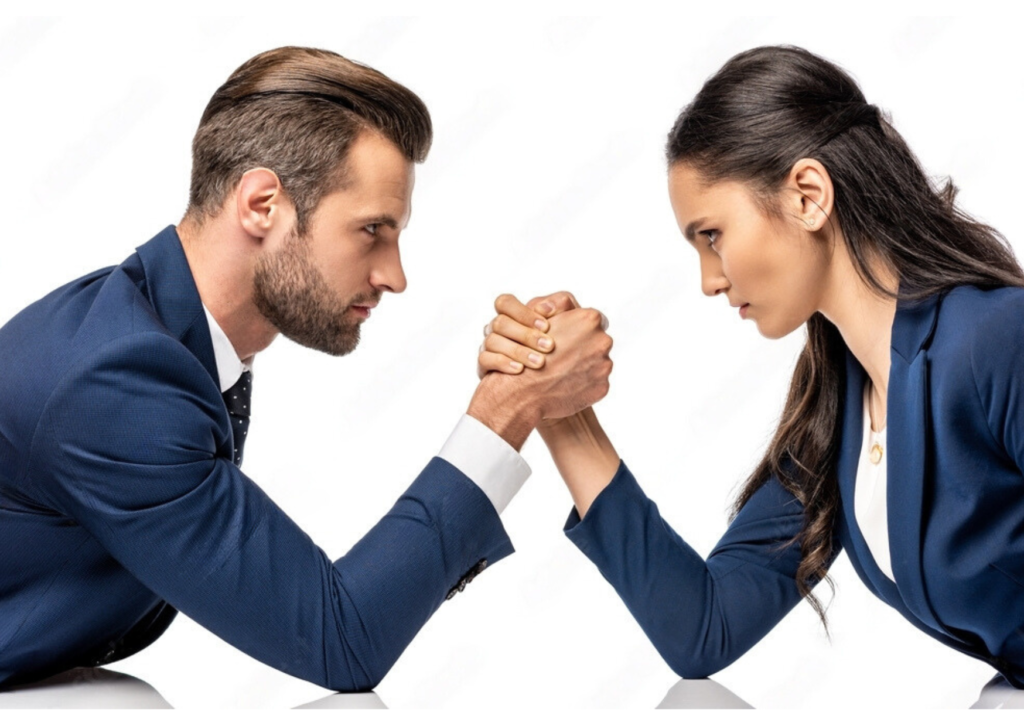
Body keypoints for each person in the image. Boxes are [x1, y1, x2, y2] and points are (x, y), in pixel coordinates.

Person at [0, 46, 614, 690]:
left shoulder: (158, 328)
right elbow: (341, 638)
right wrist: (507, 411)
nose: (394, 276)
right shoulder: (115, 382)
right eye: (371, 230)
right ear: (263, 205)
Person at [479, 45, 1024, 688]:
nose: (710, 280)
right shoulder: (842, 412)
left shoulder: (998, 339)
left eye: (711, 235)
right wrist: (559, 406)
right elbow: (705, 628)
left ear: (808, 196)